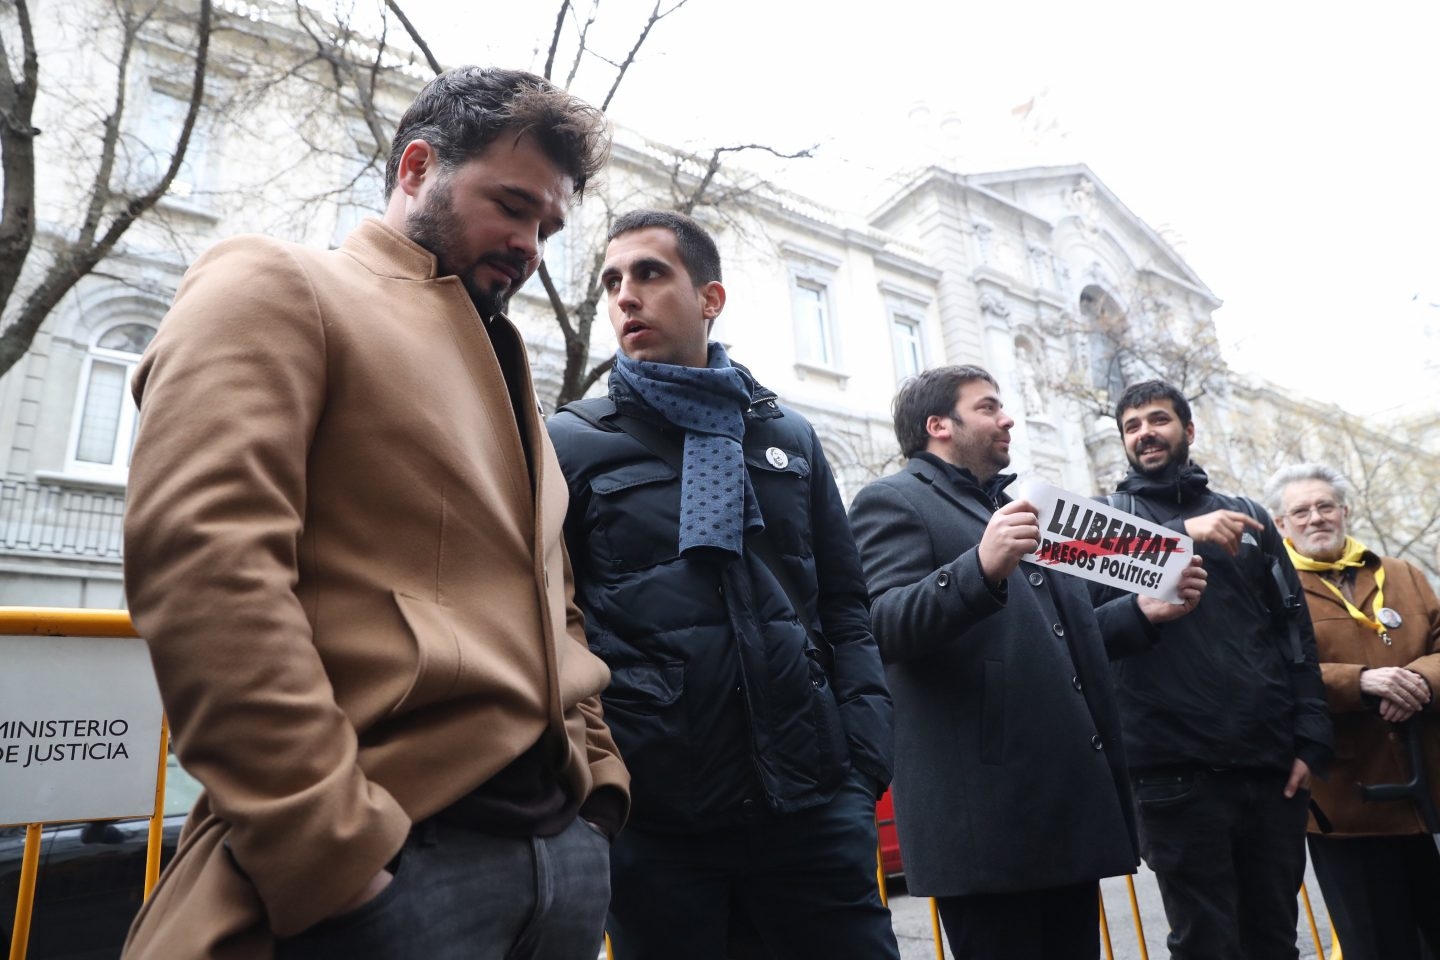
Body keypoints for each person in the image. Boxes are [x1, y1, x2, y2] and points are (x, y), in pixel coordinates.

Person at [121, 67, 628, 960]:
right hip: (386, 870)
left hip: (558, 868)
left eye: (545, 226)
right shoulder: (277, 283)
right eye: (510, 205)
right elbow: (207, 568)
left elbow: (558, 602)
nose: (530, 245)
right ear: (415, 167)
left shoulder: (513, 379)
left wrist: (598, 793)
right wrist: (334, 855)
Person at [546, 209, 899, 960]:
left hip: (811, 809)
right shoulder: (571, 442)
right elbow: (551, 621)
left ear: (710, 299)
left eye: (649, 273)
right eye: (612, 281)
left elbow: (843, 602)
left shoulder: (786, 436)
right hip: (660, 826)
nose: (625, 297)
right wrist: (600, 782)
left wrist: (862, 761)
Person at [846, 365, 1207, 960]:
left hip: (1057, 807)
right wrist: (979, 567)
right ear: (939, 426)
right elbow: (880, 625)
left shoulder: (1021, 506)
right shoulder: (893, 500)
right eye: (988, 407)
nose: (1007, 417)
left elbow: (1062, 634)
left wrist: (1143, 615)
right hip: (987, 820)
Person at [1093, 379, 1333, 960]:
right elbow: (1082, 631)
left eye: (1158, 419)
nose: (1145, 433)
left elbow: (1293, 633)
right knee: (1206, 945)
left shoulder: (1249, 516)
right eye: (1132, 426)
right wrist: (1179, 538)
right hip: (1172, 774)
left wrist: (1311, 737)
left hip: (1269, 769)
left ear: (1188, 431)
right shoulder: (1100, 524)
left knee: (1275, 939)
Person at [1265, 462, 1440, 960]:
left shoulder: (1400, 573)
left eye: (1325, 506)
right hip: (1345, 802)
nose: (1315, 518)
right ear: (1282, 525)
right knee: (1379, 946)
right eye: (1301, 511)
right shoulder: (1270, 588)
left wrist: (1419, 681)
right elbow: (1269, 673)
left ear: (1344, 511)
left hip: (1428, 789)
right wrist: (1359, 682)